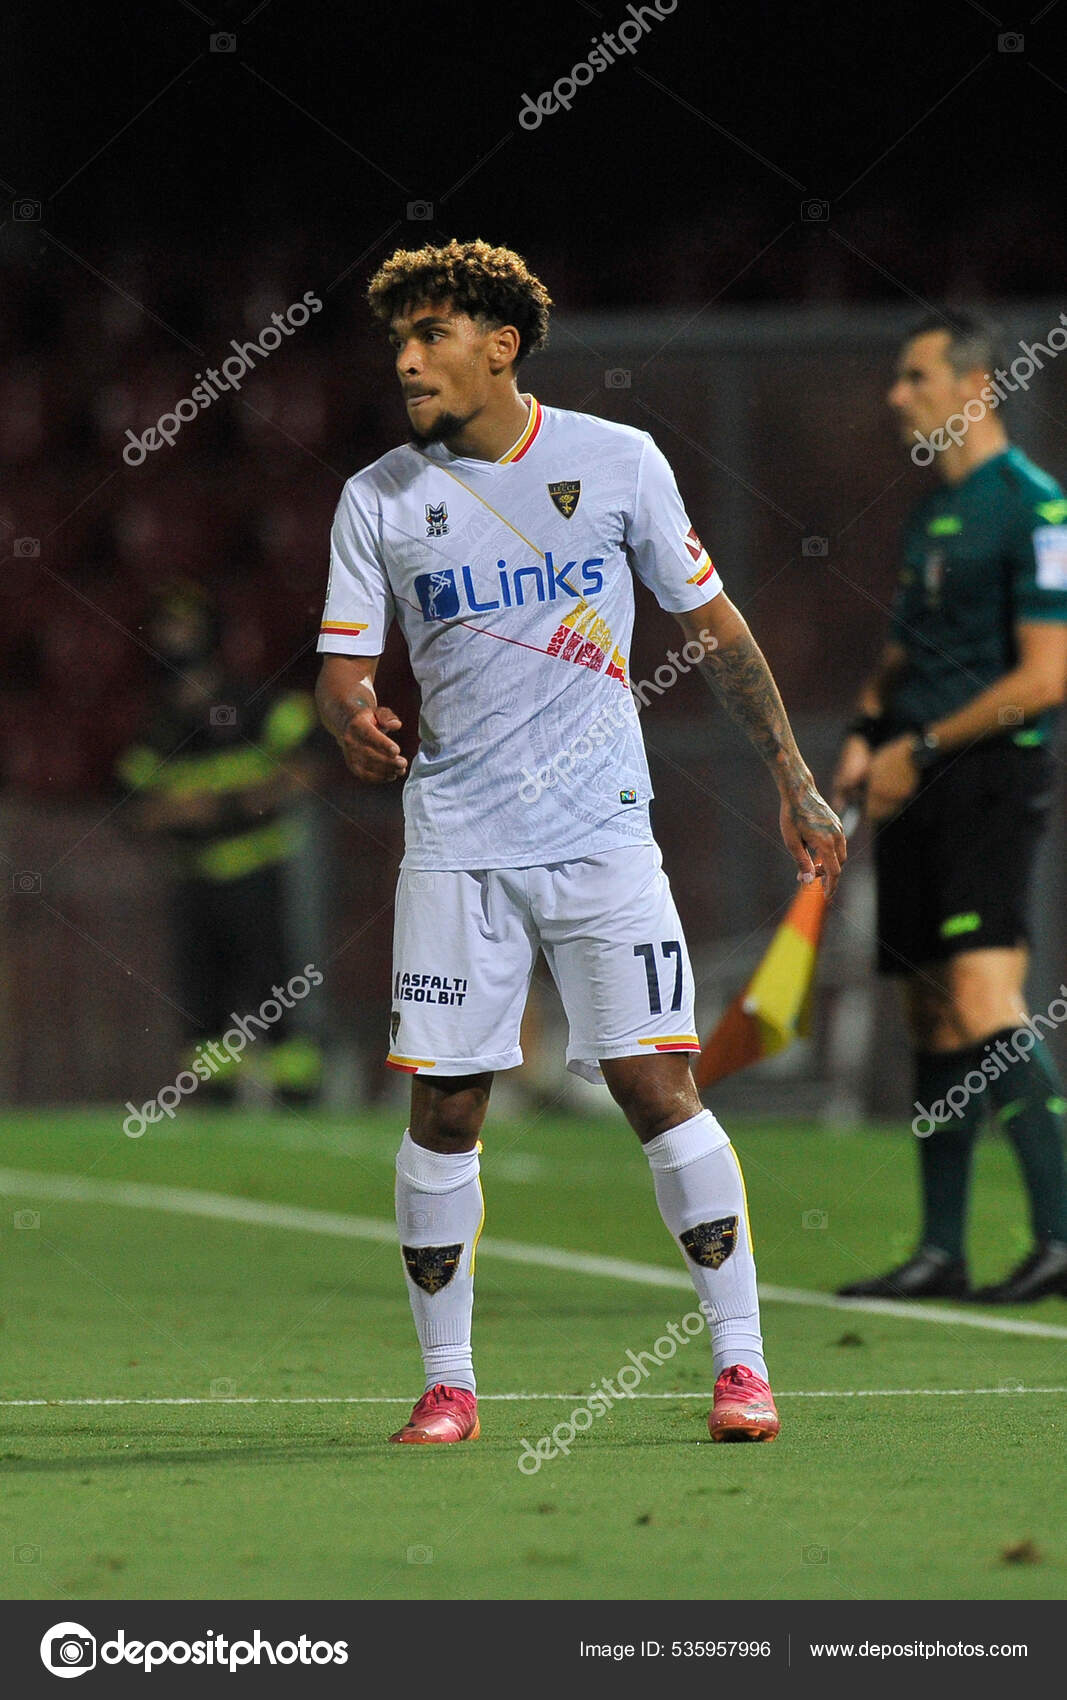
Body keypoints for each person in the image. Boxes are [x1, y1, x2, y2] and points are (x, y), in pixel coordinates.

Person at [316, 238, 844, 1445]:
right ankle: (448, 1383)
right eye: (397, 341)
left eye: (430, 336)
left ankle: (741, 1365)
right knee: (445, 1110)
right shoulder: (376, 498)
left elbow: (712, 628)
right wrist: (352, 719)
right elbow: (342, 672)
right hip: (455, 841)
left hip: (601, 835)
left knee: (656, 1084)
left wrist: (788, 771)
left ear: (500, 346)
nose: (406, 359)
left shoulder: (617, 464)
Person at [834, 314, 1067, 1304]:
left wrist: (921, 746)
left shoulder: (1036, 508)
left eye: (914, 374)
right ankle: (939, 1248)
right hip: (911, 780)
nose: (896, 394)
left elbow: (1047, 674)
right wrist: (865, 726)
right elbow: (903, 654)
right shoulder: (931, 513)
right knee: (927, 1011)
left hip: (982, 777)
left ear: (974, 386)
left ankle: (1058, 1233)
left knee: (980, 994)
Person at [118, 585, 324, 1104]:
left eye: (184, 627)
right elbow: (132, 809)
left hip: (264, 874)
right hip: (192, 880)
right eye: (165, 628)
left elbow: (309, 763)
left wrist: (236, 802)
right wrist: (186, 810)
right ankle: (215, 1100)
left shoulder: (257, 702)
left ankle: (298, 1093)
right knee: (203, 1004)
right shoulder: (156, 724)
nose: (173, 640)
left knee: (281, 993)